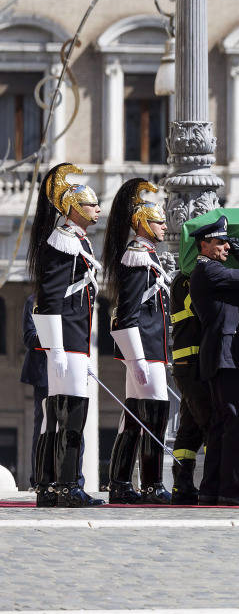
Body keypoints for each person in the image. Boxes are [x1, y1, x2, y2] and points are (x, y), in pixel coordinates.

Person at [27, 162, 104, 507]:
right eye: (91, 205)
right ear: (73, 208)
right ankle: (67, 485)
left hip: (72, 343)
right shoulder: (65, 242)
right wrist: (56, 349)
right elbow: (49, 299)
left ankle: (49, 485)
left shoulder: (74, 241)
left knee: (54, 413)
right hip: (68, 342)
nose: (97, 209)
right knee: (69, 414)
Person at [103, 179, 172, 505]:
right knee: (154, 415)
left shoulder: (147, 258)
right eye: (159, 221)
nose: (164, 226)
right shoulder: (137, 259)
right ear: (143, 224)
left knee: (133, 416)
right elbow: (126, 314)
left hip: (150, 348)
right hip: (144, 349)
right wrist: (138, 359)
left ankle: (119, 482)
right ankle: (151, 484)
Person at [188, 215, 239, 506]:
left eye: (227, 242)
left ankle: (213, 488)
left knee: (223, 422)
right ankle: (229, 488)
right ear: (204, 245)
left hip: (224, 353)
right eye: (221, 242)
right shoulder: (209, 271)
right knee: (235, 420)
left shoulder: (211, 270)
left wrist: (233, 246)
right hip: (223, 355)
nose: (226, 248)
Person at [168, 271, 214, 505]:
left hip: (189, 362)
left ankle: (182, 484)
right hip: (193, 363)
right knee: (210, 423)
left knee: (190, 429)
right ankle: (213, 484)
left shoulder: (183, 279)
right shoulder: (188, 280)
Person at [22, 294, 48, 490]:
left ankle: (72, 480)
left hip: (70, 370)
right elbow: (29, 337)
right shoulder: (35, 300)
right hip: (44, 372)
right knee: (42, 425)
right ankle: (39, 479)